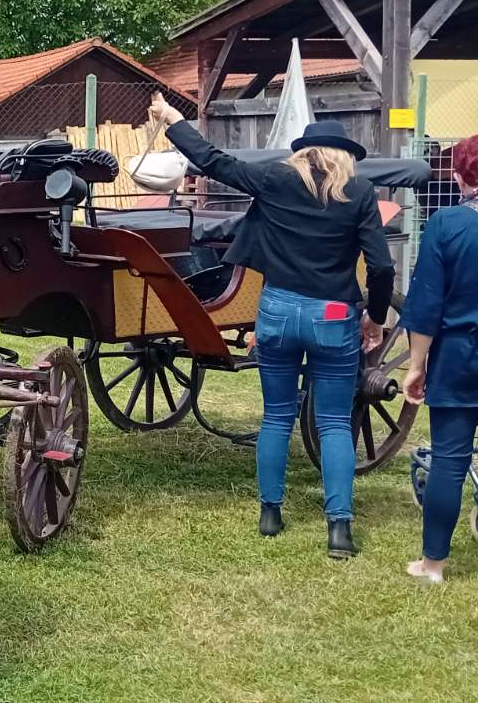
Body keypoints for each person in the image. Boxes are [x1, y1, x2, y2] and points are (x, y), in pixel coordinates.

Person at [148, 93, 391, 559]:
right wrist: (375, 319)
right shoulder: (359, 194)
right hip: (334, 314)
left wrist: (175, 120)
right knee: (336, 423)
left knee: (276, 416)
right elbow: (381, 268)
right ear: (346, 158)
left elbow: (212, 161)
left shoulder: (275, 178)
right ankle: (338, 529)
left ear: (303, 152)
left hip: (276, 309)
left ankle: (270, 513)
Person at [399, 132, 478, 604]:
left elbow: (426, 306)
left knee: (449, 463)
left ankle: (433, 565)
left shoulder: (445, 224)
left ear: (457, 176)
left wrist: (415, 365)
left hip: (461, 357)